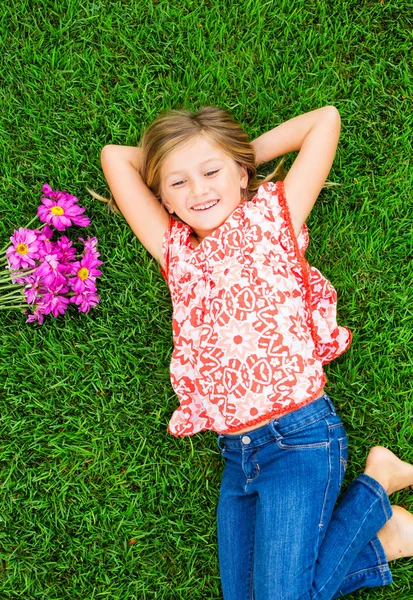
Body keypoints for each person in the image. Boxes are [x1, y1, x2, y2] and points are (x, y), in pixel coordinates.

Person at [100, 106, 413, 599]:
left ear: (241, 173)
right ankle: (381, 529)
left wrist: (238, 153)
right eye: (177, 183)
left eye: (211, 172)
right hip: (238, 456)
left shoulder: (274, 216)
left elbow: (325, 121)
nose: (199, 191)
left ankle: (376, 487)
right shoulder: (175, 252)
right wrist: (187, 161)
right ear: (162, 196)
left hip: (301, 440)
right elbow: (114, 158)